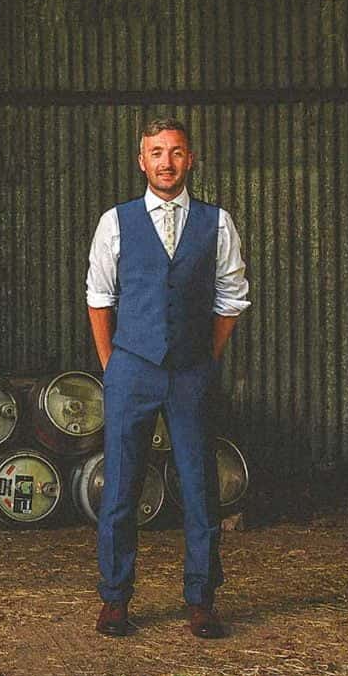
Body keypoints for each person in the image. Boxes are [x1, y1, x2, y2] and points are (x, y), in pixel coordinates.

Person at [84, 118, 250, 639]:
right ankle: (115, 598)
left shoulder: (217, 223)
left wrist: (205, 357)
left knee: (200, 484)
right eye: (156, 152)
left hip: (191, 370)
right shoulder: (117, 222)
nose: (166, 162)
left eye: (176, 152)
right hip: (131, 367)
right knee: (122, 485)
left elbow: (231, 297)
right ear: (141, 161)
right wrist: (113, 364)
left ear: (190, 159)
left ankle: (201, 599)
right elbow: (98, 296)